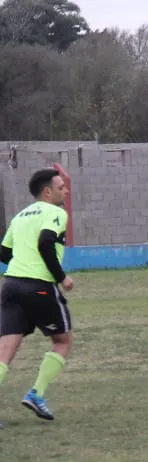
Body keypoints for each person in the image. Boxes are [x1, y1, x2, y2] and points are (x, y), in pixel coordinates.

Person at [0, 168, 75, 426]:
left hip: (10, 285)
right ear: (47, 191)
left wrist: (22, 263)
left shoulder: (20, 216)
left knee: (4, 353)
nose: (65, 191)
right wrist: (61, 277)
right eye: (61, 187)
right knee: (63, 340)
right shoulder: (56, 212)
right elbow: (45, 242)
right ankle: (36, 393)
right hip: (38, 286)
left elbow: (3, 252)